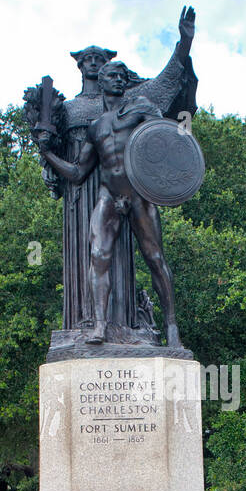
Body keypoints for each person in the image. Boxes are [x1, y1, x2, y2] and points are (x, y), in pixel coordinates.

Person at [33, 50, 193, 346]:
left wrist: (184, 44)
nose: (117, 80)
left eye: (122, 76)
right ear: (101, 82)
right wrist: (47, 153)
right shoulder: (96, 127)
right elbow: (78, 172)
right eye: (112, 76)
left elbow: (164, 140)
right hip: (109, 194)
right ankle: (99, 325)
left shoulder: (141, 108)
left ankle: (172, 328)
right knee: (99, 256)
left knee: (155, 258)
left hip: (138, 193)